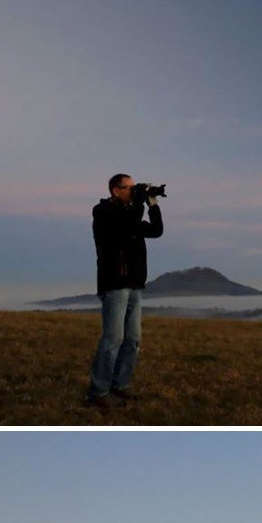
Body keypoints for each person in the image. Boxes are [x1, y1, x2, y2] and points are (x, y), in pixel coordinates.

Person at [87, 173, 164, 414]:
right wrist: (139, 202)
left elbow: (157, 231)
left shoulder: (131, 214)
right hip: (114, 283)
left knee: (133, 340)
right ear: (115, 190)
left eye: (134, 187)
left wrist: (153, 204)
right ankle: (99, 391)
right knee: (113, 339)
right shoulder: (103, 212)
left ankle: (120, 384)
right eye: (128, 187)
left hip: (134, 284)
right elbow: (125, 225)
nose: (132, 191)